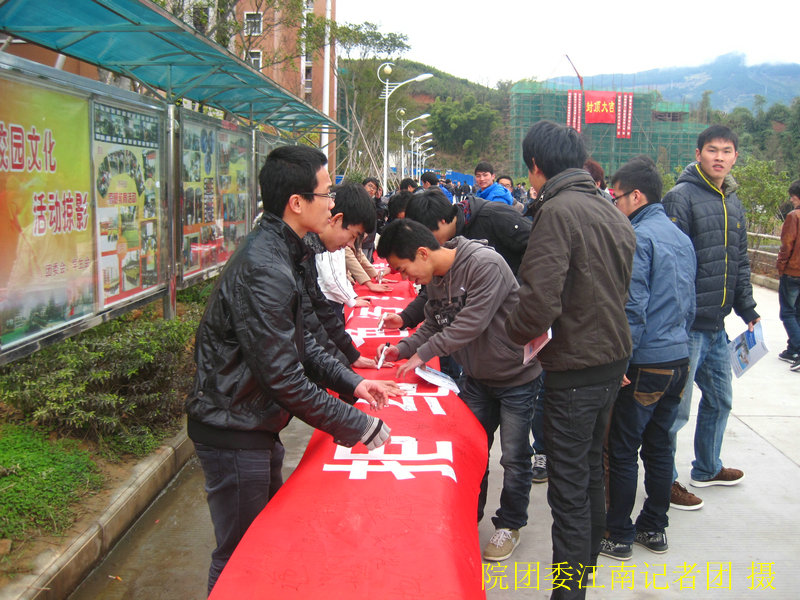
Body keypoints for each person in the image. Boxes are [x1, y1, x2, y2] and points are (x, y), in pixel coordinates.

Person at [186, 145, 397, 593]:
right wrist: (357, 424)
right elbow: (283, 375)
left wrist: (354, 382)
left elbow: (305, 342)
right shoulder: (265, 267)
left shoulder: (284, 252)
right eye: (326, 193)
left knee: (263, 543)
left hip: (254, 420)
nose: (332, 204)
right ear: (296, 202)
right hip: (233, 426)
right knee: (239, 554)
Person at [505, 120, 636, 599]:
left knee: (568, 491)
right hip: (610, 360)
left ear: (535, 166)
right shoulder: (609, 209)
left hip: (576, 369)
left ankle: (569, 591)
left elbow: (538, 302)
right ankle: (585, 574)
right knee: (589, 472)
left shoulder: (557, 211)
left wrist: (512, 331)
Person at [376, 219, 542, 562]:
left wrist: (423, 354)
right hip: (478, 377)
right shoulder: (437, 279)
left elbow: (470, 323)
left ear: (423, 253)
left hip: (516, 376)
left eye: (404, 269)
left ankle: (510, 524)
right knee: (469, 449)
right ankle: (468, 515)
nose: (408, 279)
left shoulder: (484, 265)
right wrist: (403, 349)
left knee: (513, 456)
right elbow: (435, 323)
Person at [599, 156, 696, 561]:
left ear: (636, 196)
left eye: (616, 197)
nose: (615, 204)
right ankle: (654, 527)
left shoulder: (638, 238)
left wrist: (622, 361)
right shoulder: (680, 237)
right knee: (659, 447)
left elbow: (632, 308)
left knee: (622, 449)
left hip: (645, 362)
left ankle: (618, 533)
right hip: (678, 359)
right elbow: (689, 303)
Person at [663, 125, 758, 509]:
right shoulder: (681, 197)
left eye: (727, 151)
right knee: (675, 411)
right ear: (699, 153)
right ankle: (664, 480)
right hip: (688, 328)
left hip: (717, 326)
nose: (719, 157)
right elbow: (672, 265)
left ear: (735, 156)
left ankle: (707, 467)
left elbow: (740, 261)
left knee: (720, 399)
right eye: (712, 150)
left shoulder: (733, 201)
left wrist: (748, 309)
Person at [303, 183, 391, 369]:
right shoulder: (285, 256)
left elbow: (318, 306)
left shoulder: (310, 248)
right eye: (326, 196)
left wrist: (351, 356)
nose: (330, 204)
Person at [405, 186, 531, 275]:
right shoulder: (449, 241)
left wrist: (519, 290)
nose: (426, 242)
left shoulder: (494, 216)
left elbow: (536, 248)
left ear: (441, 220)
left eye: (427, 234)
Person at [777, 179, 800, 370]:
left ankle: (797, 348)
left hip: (793, 271)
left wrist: (781, 267)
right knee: (798, 312)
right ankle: (792, 349)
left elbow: (787, 245)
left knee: (787, 312)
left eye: (793, 196)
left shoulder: (794, 216)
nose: (791, 200)